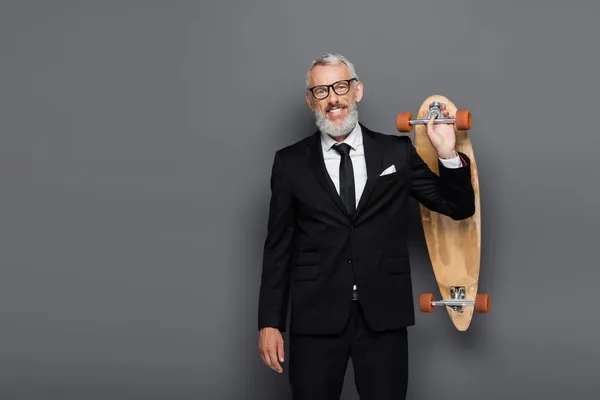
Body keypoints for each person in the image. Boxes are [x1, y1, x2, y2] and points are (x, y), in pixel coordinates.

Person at [257, 53, 475, 400]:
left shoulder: (396, 153)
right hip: (315, 318)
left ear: (357, 91)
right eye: (321, 90)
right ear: (311, 100)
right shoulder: (289, 163)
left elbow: (459, 208)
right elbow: (278, 246)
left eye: (341, 86)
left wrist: (447, 153)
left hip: (383, 316)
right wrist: (269, 322)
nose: (333, 98)